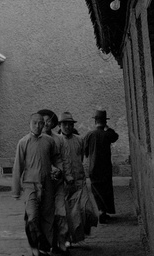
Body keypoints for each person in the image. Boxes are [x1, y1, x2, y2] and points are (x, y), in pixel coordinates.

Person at [12, 113, 62, 256]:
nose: (38, 126)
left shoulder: (49, 141)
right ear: (30, 124)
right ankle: (35, 245)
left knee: (48, 217)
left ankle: (44, 249)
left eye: (41, 123)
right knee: (32, 217)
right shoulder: (23, 142)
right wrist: (16, 190)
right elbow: (18, 167)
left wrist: (59, 170)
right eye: (35, 123)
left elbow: (56, 158)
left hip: (47, 184)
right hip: (30, 185)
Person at [57, 112, 98, 253]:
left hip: (80, 181)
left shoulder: (79, 140)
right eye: (64, 124)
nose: (67, 127)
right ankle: (68, 239)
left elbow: (82, 157)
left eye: (70, 124)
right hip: (65, 184)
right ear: (60, 125)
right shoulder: (56, 141)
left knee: (87, 210)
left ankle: (80, 233)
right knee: (69, 214)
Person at [37, 109, 67, 253]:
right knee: (45, 216)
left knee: (61, 213)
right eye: (43, 120)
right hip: (41, 185)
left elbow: (62, 159)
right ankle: (47, 245)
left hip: (58, 184)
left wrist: (60, 171)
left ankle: (62, 244)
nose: (46, 123)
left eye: (49, 120)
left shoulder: (59, 139)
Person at [84, 109, 119, 223]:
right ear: (104, 122)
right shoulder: (107, 134)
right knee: (106, 190)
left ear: (95, 121)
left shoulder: (89, 134)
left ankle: (99, 212)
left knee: (96, 191)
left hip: (93, 168)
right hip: (105, 168)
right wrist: (108, 128)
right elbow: (115, 136)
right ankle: (103, 213)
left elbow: (85, 151)